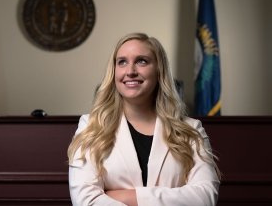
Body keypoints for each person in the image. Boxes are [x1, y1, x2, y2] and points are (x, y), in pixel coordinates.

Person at [67, 33, 220, 206]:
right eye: (122, 62)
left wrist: (127, 196)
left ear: (159, 70)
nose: (130, 71)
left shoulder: (191, 129)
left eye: (142, 61)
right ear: (114, 71)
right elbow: (85, 201)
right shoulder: (90, 126)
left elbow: (206, 198)